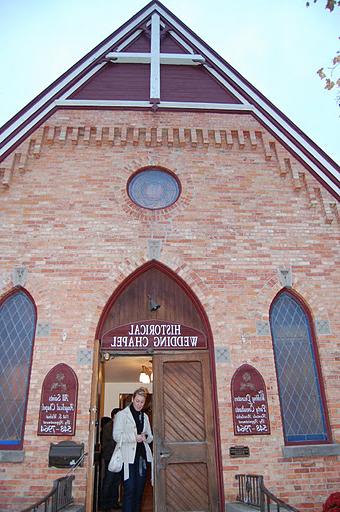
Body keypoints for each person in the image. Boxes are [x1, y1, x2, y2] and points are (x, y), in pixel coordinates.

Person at [113, 387, 153, 512]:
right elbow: (116, 436)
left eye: (142, 402)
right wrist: (134, 437)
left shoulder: (145, 417)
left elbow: (150, 437)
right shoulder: (122, 415)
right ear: (132, 399)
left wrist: (145, 437)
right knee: (130, 490)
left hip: (142, 458)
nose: (140, 404)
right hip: (127, 459)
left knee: (139, 491)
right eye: (137, 401)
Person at [100, 408, 122, 511]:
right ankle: (104, 504)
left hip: (117, 458)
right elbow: (109, 444)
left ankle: (113, 502)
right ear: (114, 417)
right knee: (108, 481)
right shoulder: (108, 427)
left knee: (116, 481)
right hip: (110, 458)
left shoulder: (118, 426)